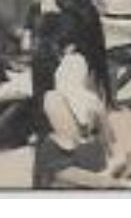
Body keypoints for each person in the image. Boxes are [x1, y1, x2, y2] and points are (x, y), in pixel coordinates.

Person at [32, 37, 114, 188]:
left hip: (65, 157)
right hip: (92, 155)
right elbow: (109, 139)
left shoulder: (51, 98)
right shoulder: (93, 100)